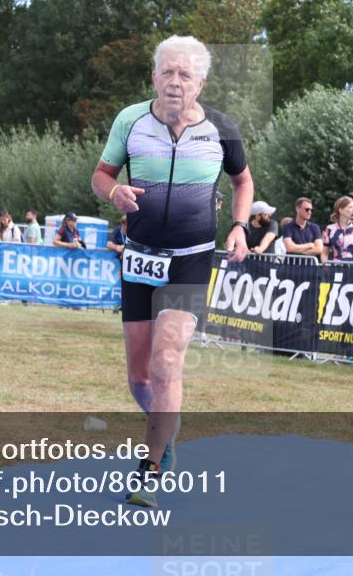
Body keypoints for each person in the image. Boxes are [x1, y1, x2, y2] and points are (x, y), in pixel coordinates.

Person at [91, 35, 252, 508]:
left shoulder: (222, 129)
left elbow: (243, 181)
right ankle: (169, 430)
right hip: (140, 257)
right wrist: (113, 192)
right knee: (140, 377)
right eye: (168, 72)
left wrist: (240, 226)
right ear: (153, 77)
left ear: (201, 82)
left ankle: (151, 465)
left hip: (191, 258)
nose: (176, 82)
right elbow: (100, 175)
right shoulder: (130, 121)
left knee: (167, 363)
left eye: (186, 74)